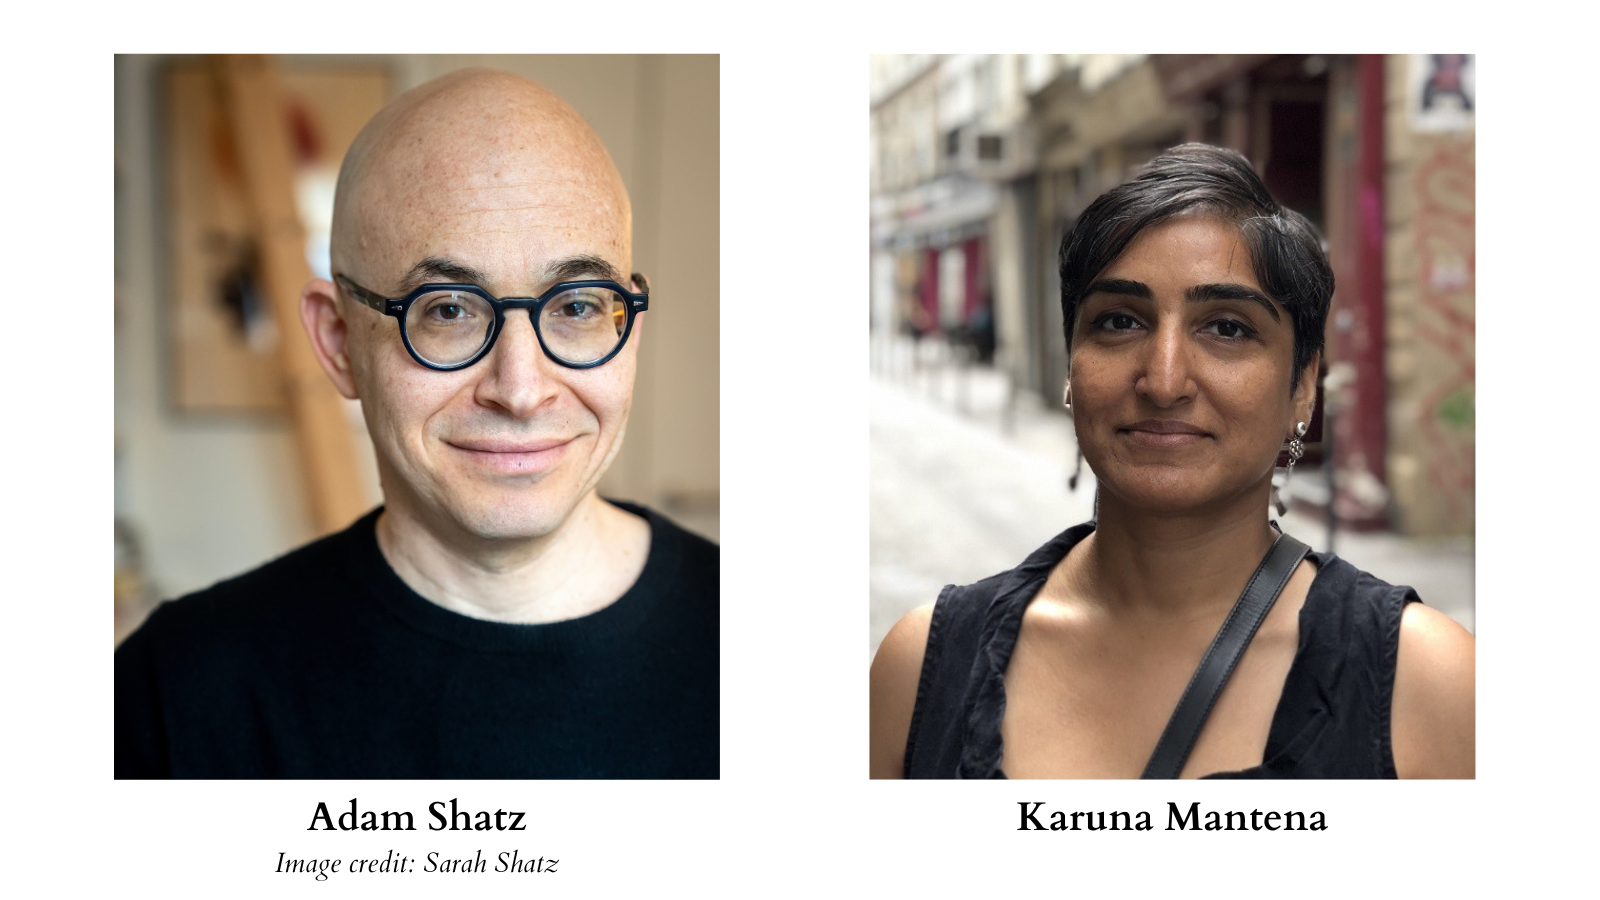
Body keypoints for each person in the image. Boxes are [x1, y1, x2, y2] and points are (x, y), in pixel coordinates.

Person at [114, 68, 719, 779]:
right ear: (338, 341)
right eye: (449, 310)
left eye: (577, 305)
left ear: (630, 329)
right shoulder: (175, 695)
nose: (520, 389)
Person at [868, 143, 1474, 780]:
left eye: (1228, 328)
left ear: (1303, 385)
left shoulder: (1423, 686)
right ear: (1071, 364)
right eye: (1121, 321)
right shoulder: (923, 671)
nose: (1163, 380)